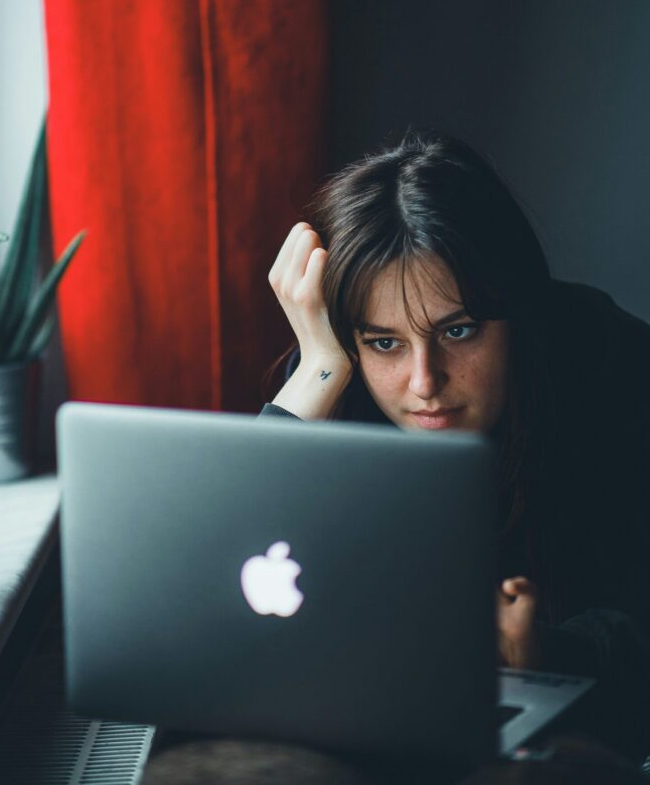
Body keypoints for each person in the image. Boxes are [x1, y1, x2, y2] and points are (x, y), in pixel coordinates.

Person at [262, 129, 650, 764]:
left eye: (459, 330)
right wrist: (314, 373)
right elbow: (234, 576)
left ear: (518, 315)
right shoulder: (334, 384)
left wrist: (547, 653)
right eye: (384, 342)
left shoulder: (613, 372)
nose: (424, 383)